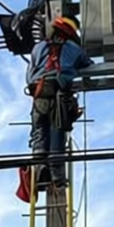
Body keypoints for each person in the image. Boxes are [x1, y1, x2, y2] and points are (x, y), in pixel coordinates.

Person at [25, 16, 92, 188]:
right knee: (56, 137)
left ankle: (39, 174)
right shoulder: (74, 49)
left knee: (39, 136)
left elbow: (29, 74)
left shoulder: (38, 47)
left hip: (39, 95)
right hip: (59, 95)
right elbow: (89, 67)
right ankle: (57, 178)